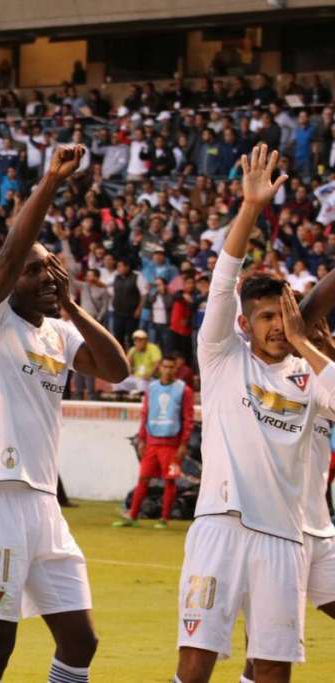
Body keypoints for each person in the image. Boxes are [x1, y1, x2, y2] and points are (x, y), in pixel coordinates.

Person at [0, 145, 129, 683]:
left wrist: (72, 303)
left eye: (53, 269)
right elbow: (11, 253)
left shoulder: (57, 332)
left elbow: (116, 369)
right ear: (11, 281)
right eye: (36, 272)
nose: (46, 277)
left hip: (42, 504)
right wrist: (52, 182)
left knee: (81, 640)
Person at [174, 145, 335, 683]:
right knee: (195, 666)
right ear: (244, 323)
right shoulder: (221, 357)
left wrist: (303, 342)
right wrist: (250, 207)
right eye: (264, 316)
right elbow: (224, 281)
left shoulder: (308, 372)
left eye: (282, 314)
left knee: (271, 671)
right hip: (220, 527)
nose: (274, 325)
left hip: (285, 540)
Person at [242, 315, 335, 683]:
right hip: (276, 532)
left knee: (264, 654)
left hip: (320, 529)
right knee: (264, 654)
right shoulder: (265, 374)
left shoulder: (319, 377)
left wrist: (325, 350)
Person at [113, 352, 194, 528]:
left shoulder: (184, 390)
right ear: (160, 368)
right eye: (165, 366)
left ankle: (164, 519)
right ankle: (132, 517)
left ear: (177, 369)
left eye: (172, 367)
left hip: (172, 445)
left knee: (170, 481)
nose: (168, 370)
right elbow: (145, 414)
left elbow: (188, 419)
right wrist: (142, 439)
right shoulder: (152, 388)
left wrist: (183, 444)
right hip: (152, 443)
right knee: (143, 479)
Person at [114, 329, 161, 395]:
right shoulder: (133, 350)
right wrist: (132, 354)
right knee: (119, 381)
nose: (138, 342)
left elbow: (157, 364)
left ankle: (140, 397)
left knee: (142, 382)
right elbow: (126, 365)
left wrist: (149, 375)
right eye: (136, 340)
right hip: (137, 377)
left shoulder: (153, 348)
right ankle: (121, 397)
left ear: (146, 340)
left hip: (151, 378)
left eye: (141, 340)